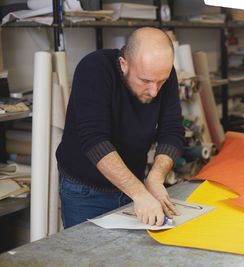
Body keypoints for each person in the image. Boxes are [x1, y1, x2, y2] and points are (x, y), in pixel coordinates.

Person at [56, 27, 185, 228]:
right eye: (145, 81)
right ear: (123, 64)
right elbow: (95, 140)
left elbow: (172, 130)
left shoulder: (162, 74)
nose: (154, 91)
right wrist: (140, 193)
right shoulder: (94, 69)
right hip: (85, 191)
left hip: (134, 184)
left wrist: (156, 178)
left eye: (161, 81)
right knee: (86, 257)